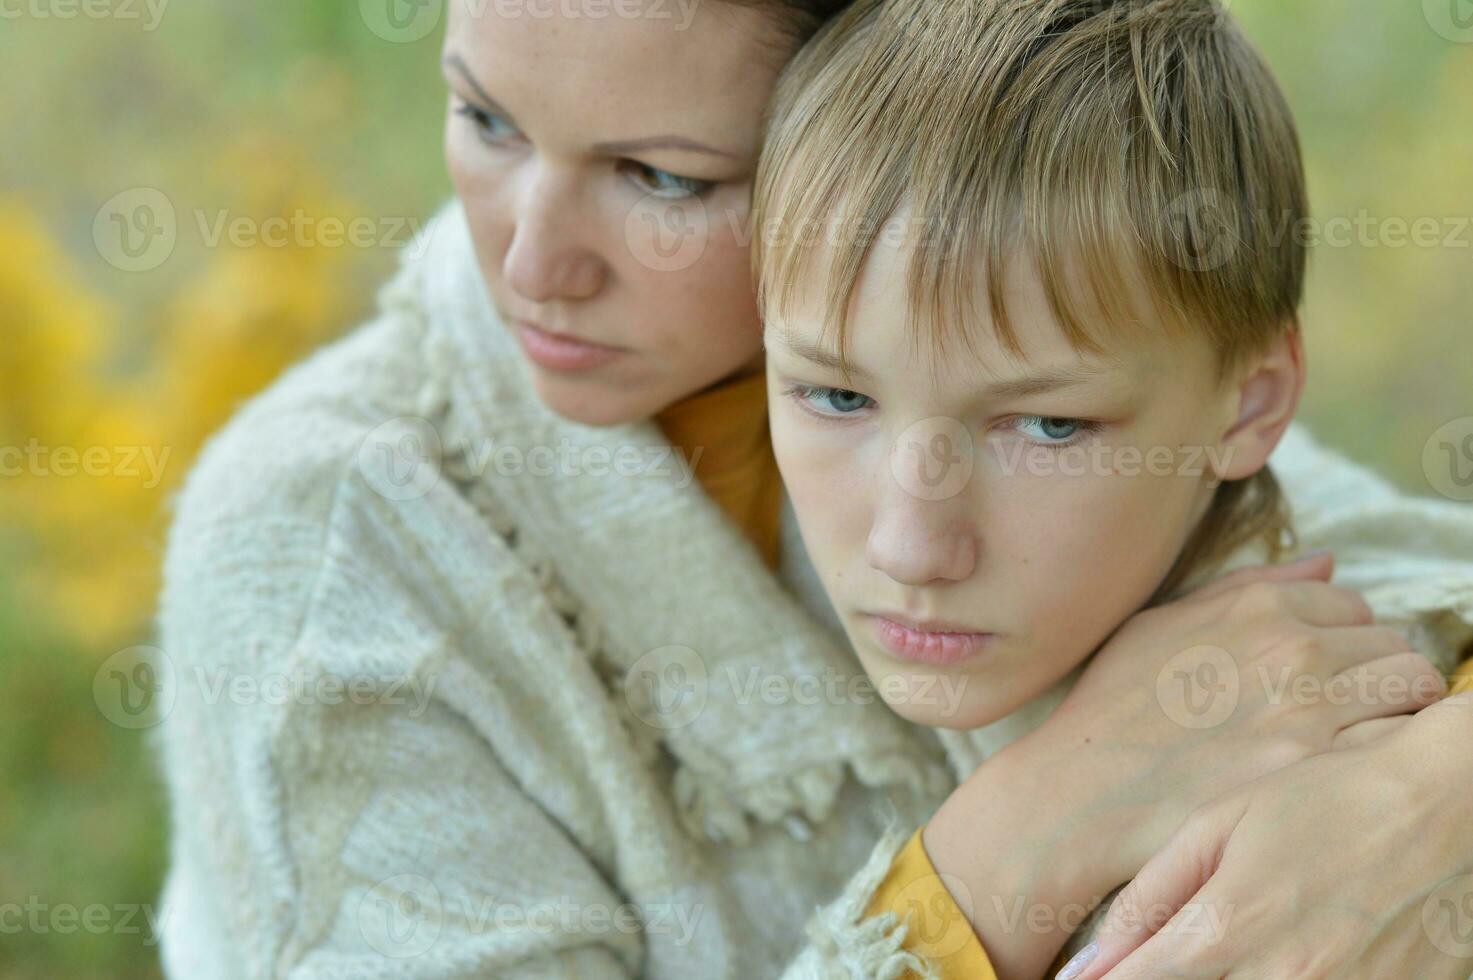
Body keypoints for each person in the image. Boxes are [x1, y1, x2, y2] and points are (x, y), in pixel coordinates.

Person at [152, 0, 1473, 976]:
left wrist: (1418, 799)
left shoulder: (985, 338)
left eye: (664, 175)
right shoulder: (327, 542)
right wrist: (1015, 847)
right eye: (483, 116)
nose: (532, 265)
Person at [751, 0, 1473, 977]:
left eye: (1049, 425)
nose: (908, 546)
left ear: (1248, 404)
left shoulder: (1345, 844)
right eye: (836, 395)